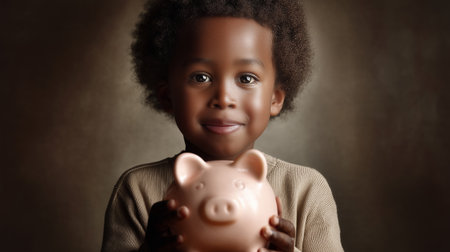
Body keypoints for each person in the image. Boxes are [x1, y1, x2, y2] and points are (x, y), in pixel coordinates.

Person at [101, 0, 344, 251]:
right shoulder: (138, 189)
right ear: (167, 96)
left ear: (275, 98)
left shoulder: (306, 188)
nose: (224, 97)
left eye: (246, 78)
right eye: (201, 77)